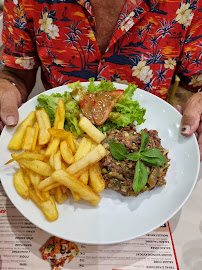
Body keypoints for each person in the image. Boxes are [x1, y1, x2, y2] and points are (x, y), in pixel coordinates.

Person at [0, 0, 201, 159]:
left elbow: (197, 80)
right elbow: (17, 72)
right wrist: (7, 86)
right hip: (60, 144)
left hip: (147, 146)